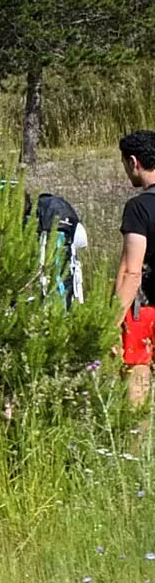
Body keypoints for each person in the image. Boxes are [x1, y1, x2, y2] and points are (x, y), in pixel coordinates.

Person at [117, 131, 155, 408]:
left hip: (147, 309)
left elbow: (132, 271)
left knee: (137, 380)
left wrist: (112, 319)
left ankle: (137, 445)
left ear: (134, 162)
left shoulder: (139, 208)